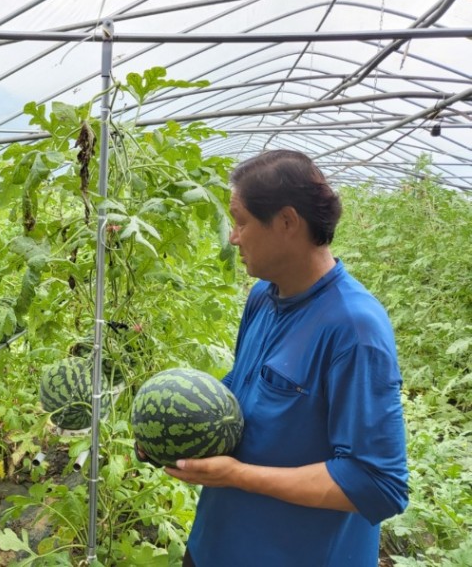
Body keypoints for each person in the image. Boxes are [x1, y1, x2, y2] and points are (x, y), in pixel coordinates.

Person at [164, 150, 409, 566]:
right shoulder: (264, 294)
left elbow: (378, 483)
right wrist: (172, 431)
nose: (233, 237)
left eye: (241, 221)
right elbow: (244, 387)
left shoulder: (354, 329)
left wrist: (236, 475)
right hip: (216, 542)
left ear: (287, 222)